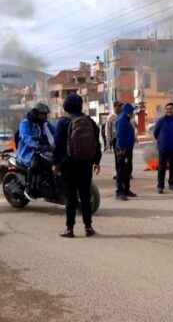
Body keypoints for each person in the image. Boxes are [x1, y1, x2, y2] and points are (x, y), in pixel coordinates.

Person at [52, 94, 101, 238]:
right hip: (86, 163)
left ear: (66, 106)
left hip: (68, 164)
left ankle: (69, 229)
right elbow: (96, 143)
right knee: (85, 195)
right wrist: (97, 161)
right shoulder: (89, 121)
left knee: (70, 196)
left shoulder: (63, 122)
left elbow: (58, 144)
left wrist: (55, 163)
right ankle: (88, 227)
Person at [153, 102, 173, 193]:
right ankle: (160, 186)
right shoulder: (161, 120)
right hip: (163, 148)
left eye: (170, 109)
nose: (168, 110)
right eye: (167, 109)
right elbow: (155, 133)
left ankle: (172, 184)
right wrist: (162, 141)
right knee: (162, 168)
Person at [115, 103, 137, 201]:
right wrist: (121, 148)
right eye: (132, 111)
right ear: (129, 111)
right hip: (123, 149)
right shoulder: (122, 119)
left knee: (128, 169)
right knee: (121, 171)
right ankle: (119, 192)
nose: (133, 113)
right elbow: (120, 135)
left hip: (128, 149)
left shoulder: (126, 119)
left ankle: (126, 189)